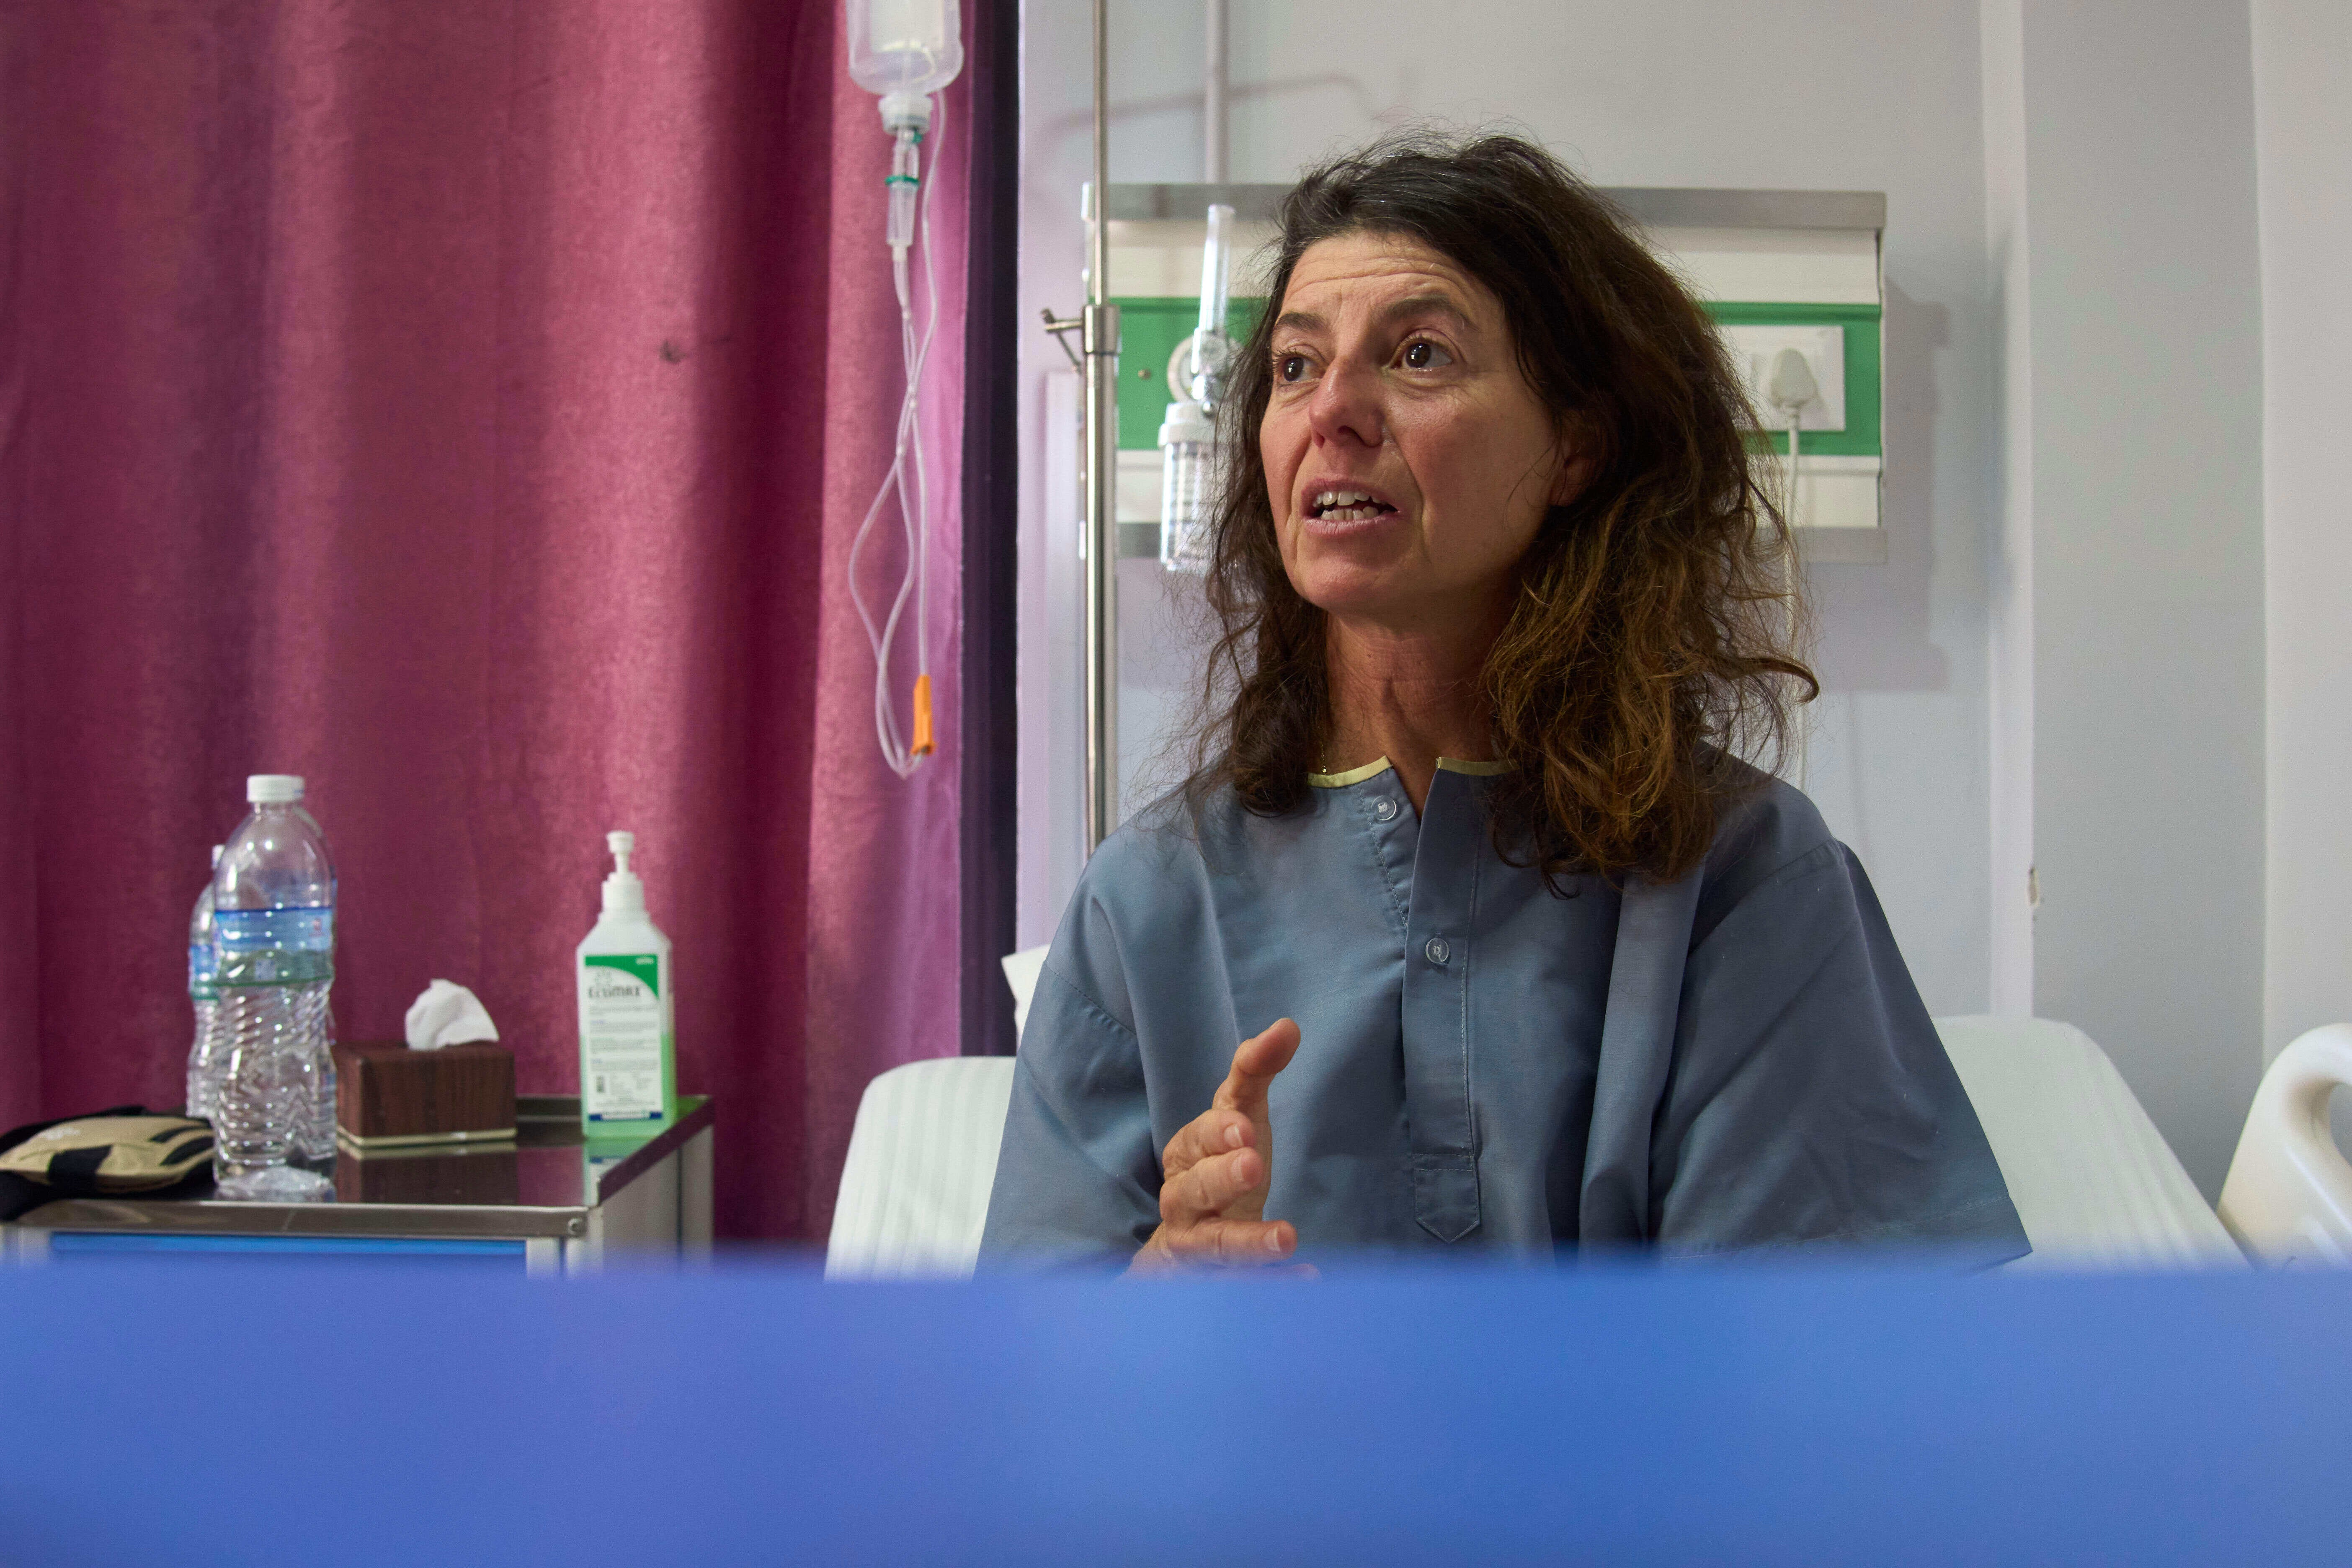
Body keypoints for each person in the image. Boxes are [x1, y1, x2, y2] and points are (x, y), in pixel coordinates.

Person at [983, 132, 2026, 1270]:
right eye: (1293, 366)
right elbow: (1036, 1362)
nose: (1332, 410)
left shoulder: (1739, 878)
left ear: (1577, 443)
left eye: (1418, 354)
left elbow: (1813, 1353)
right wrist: (1166, 1286)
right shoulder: (1146, 903)